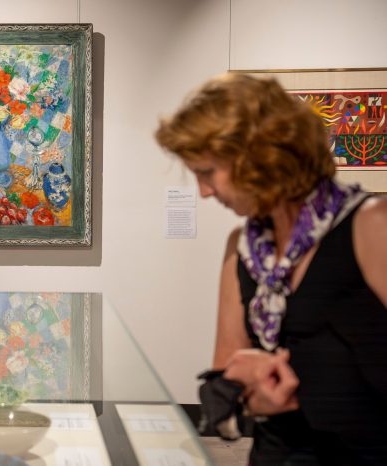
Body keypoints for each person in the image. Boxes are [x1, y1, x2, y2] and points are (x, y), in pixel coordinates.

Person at [155, 73, 387, 465]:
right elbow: (226, 371)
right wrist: (244, 390)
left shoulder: (370, 225)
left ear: (258, 157)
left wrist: (308, 385)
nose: (204, 192)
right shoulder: (242, 248)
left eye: (208, 173)